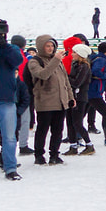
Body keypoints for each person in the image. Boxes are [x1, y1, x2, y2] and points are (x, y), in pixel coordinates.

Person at [27, 35, 76, 165]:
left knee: (57, 131)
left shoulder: (57, 61)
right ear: (41, 47)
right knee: (42, 130)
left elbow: (65, 81)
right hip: (45, 102)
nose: (50, 48)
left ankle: (54, 154)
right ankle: (39, 155)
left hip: (60, 102)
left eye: (52, 46)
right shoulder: (34, 61)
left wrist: (70, 97)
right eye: (47, 46)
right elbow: (43, 74)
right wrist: (55, 60)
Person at [0, 19, 24, 180]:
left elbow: (18, 61)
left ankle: (10, 168)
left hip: (6, 100)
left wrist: (3, 46)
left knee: (9, 137)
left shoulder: (10, 49)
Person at [64, 44, 92, 156]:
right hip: (71, 97)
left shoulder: (84, 67)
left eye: (74, 52)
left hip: (80, 98)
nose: (72, 54)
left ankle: (89, 144)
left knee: (77, 122)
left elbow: (77, 82)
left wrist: (65, 77)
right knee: (70, 122)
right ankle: (73, 145)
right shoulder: (75, 64)